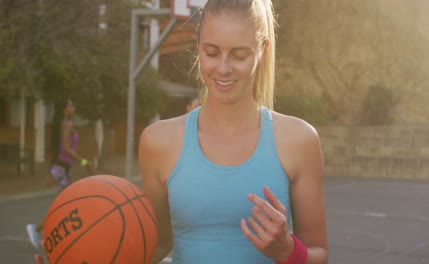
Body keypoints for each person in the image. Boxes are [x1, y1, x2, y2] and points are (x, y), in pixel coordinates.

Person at [36, 0, 328, 263]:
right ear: (197, 46)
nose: (223, 68)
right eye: (211, 52)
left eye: (239, 55)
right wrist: (77, 253)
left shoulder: (297, 139)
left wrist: (289, 252)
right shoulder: (158, 141)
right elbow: (156, 244)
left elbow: (319, 254)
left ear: (262, 52)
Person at [27, 99, 96, 250]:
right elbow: (66, 149)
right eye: (70, 105)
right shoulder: (67, 124)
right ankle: (37, 229)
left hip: (62, 169)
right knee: (66, 204)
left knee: (67, 204)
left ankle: (49, 232)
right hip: (61, 169)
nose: (73, 108)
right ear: (64, 109)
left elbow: (61, 150)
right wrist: (85, 162)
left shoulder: (65, 124)